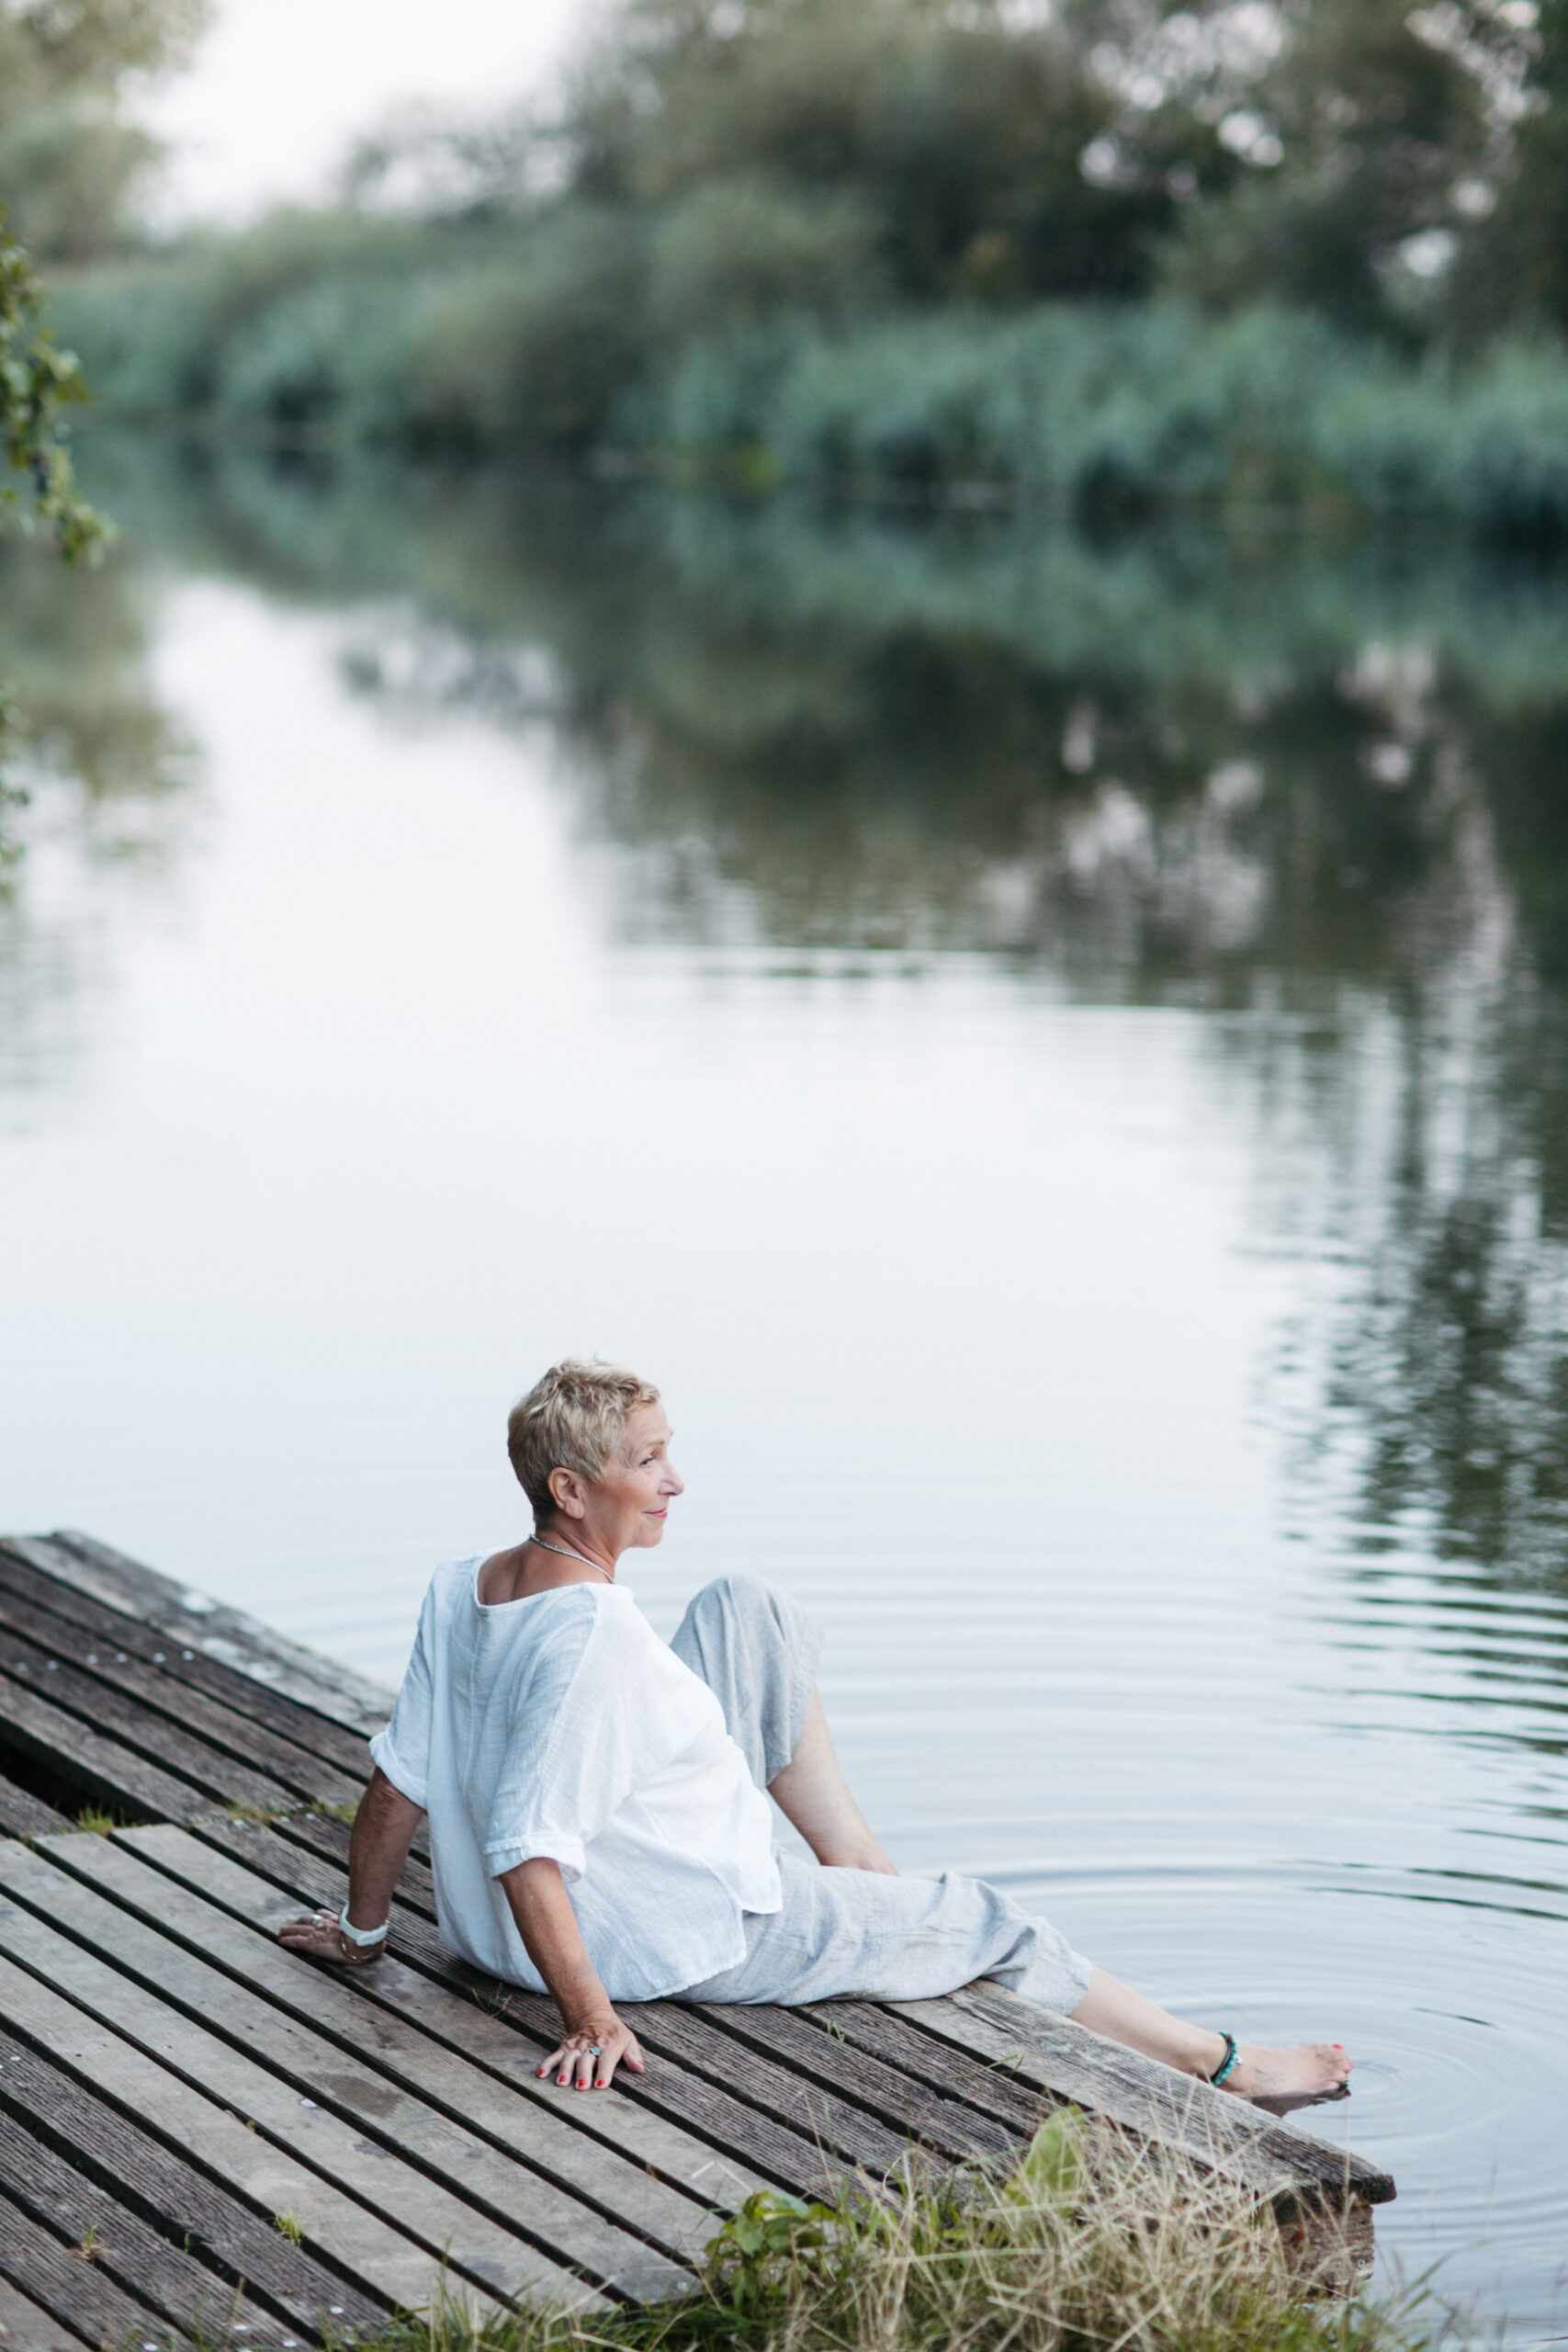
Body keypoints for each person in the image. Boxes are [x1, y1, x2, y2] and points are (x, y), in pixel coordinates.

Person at [280, 1360, 1352, 2106]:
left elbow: (395, 1784)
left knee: (750, 1611)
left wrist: (364, 1934)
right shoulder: (592, 1636)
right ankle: (1228, 2066)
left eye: (669, 1453)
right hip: (675, 1928)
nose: (674, 1480)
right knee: (992, 1920)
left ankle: (862, 1874)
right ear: (571, 1488)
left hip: (557, 1902)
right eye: (647, 1461)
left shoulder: (461, 1586)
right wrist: (592, 2020)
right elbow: (525, 1845)